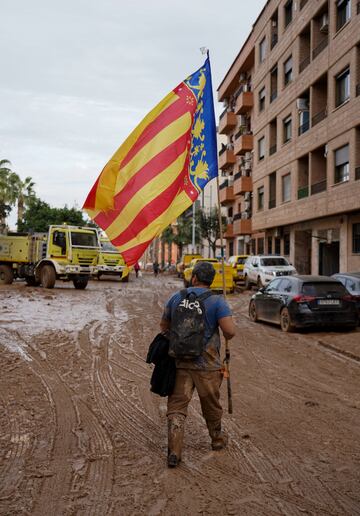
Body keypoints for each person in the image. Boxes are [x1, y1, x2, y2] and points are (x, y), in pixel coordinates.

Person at [160, 261, 236, 468]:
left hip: (180, 364)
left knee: (177, 407)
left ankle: (174, 451)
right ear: (211, 281)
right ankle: (217, 440)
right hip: (207, 365)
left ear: (193, 277)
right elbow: (230, 332)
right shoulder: (217, 301)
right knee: (211, 404)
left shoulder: (176, 297)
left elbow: (164, 326)